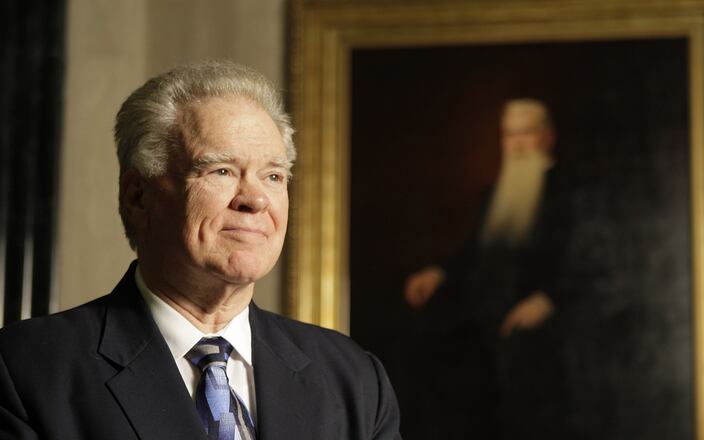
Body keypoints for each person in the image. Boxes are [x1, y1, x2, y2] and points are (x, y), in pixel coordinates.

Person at [0, 61, 401, 440]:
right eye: (221, 171)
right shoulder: (26, 370)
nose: (255, 200)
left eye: (274, 176)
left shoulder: (354, 379)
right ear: (138, 197)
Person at [403, 99, 572, 439]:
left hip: (544, 322)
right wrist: (439, 272)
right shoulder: (496, 193)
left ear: (547, 138)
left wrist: (546, 300)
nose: (518, 144)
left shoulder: (569, 192)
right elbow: (473, 254)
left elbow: (582, 262)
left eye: (527, 133)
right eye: (510, 135)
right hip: (483, 320)